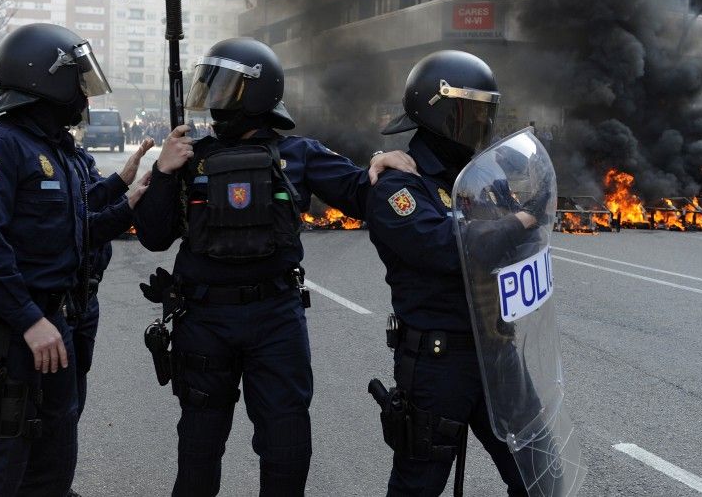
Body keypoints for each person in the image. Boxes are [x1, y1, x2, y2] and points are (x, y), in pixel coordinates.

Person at [132, 37, 416, 496]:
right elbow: (153, 236)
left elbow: (362, 195)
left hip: (274, 321)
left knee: (287, 453)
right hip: (204, 321)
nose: (216, 99)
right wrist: (163, 172)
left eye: (226, 87)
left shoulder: (298, 154)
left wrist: (380, 162)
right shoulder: (187, 156)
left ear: (256, 95)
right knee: (199, 455)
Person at [0, 22, 112, 496]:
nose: (83, 95)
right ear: (47, 80)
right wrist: (28, 320)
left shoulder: (51, 149)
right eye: (77, 81)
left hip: (50, 322)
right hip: (8, 328)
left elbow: (73, 230)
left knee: (51, 465)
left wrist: (130, 189)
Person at [366, 50, 536, 496]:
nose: (479, 124)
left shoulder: (486, 180)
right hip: (440, 362)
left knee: (540, 476)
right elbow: (446, 249)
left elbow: (522, 247)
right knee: (417, 486)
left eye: (485, 113)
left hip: (497, 352)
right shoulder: (401, 187)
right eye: (469, 112)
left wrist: (526, 224)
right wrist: (516, 223)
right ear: (438, 113)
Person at [67, 139, 154, 497]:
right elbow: (75, 229)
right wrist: (127, 200)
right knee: (49, 403)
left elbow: (91, 201)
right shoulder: (30, 154)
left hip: (86, 295)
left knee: (72, 398)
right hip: (58, 300)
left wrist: (123, 184)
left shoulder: (73, 156)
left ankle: (58, 482)